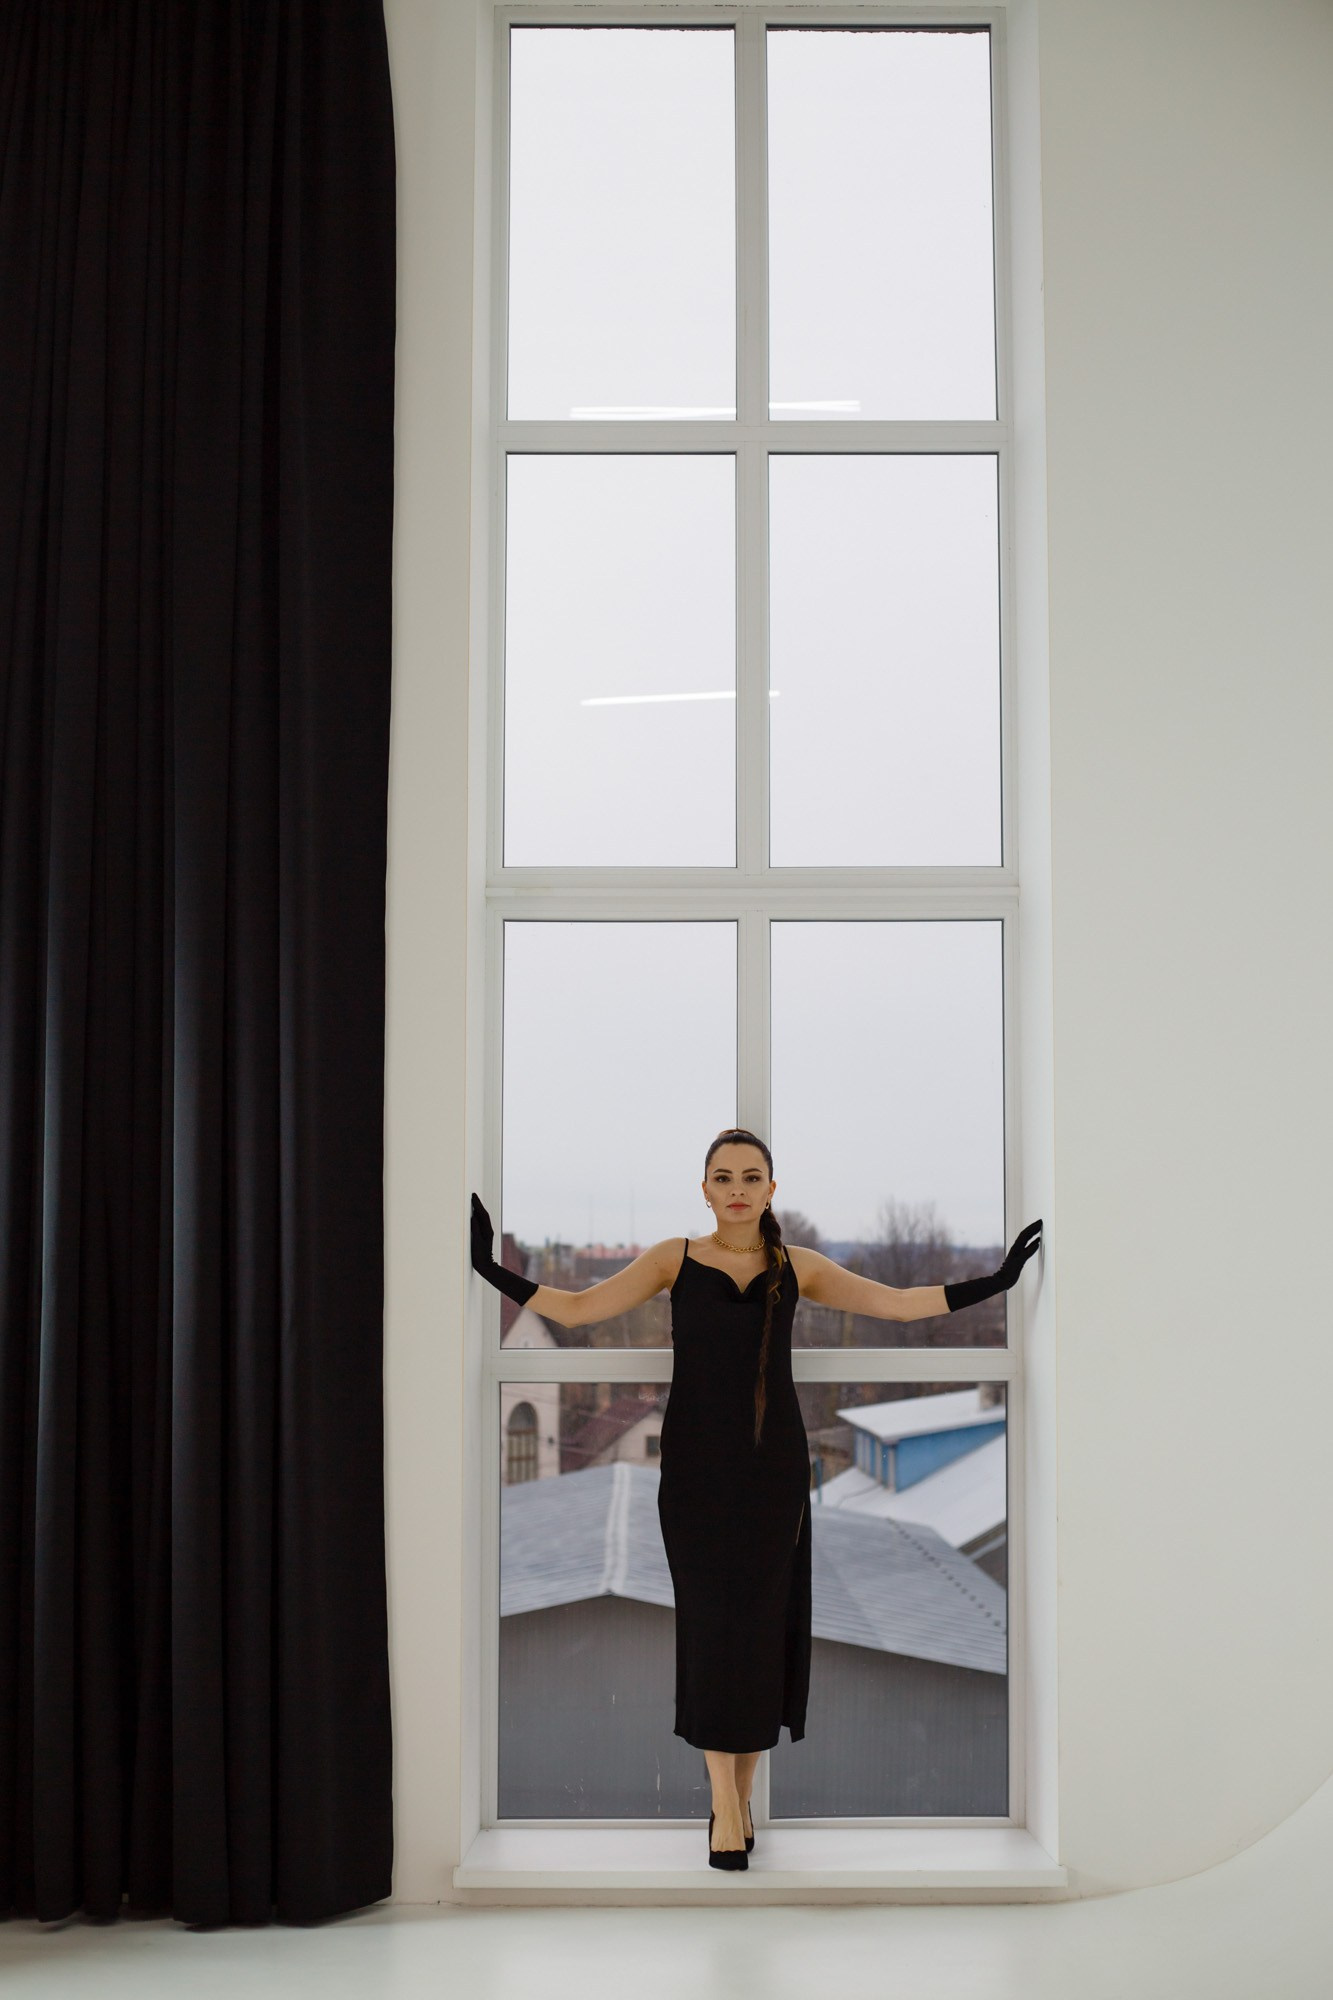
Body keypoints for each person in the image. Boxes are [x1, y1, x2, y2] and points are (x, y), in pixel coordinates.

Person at [470, 1127, 1042, 1871]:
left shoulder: (796, 1265)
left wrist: (998, 1281)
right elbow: (577, 1310)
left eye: (750, 1176)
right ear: (704, 1189)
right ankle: (727, 1801)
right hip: (695, 1471)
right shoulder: (672, 1259)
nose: (736, 1188)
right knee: (711, 1629)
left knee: (758, 1630)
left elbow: (899, 1305)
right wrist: (488, 1267)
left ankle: (732, 1805)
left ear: (771, 1189)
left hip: (773, 1472)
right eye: (723, 1176)